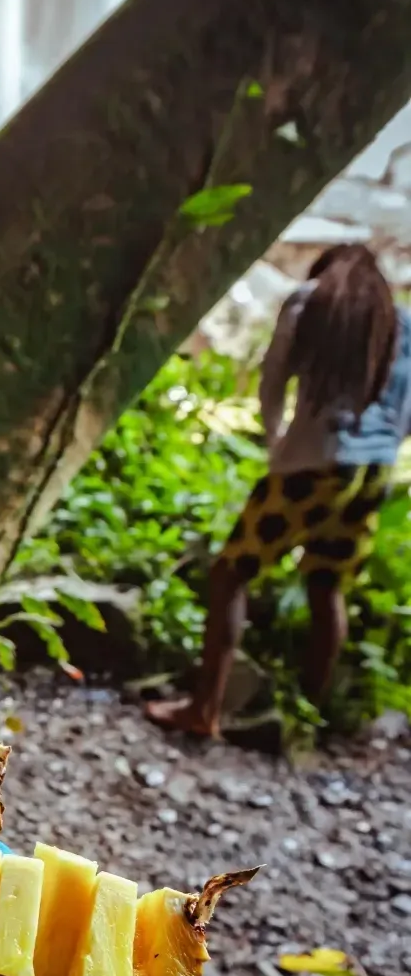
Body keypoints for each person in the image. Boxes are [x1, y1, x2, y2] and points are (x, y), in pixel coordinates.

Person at [147, 242, 410, 737]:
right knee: (326, 587)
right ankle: (305, 715)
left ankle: (204, 709)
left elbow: (271, 385)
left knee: (230, 574)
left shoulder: (309, 300)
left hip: (311, 464)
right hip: (374, 470)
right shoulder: (400, 322)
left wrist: (278, 448)